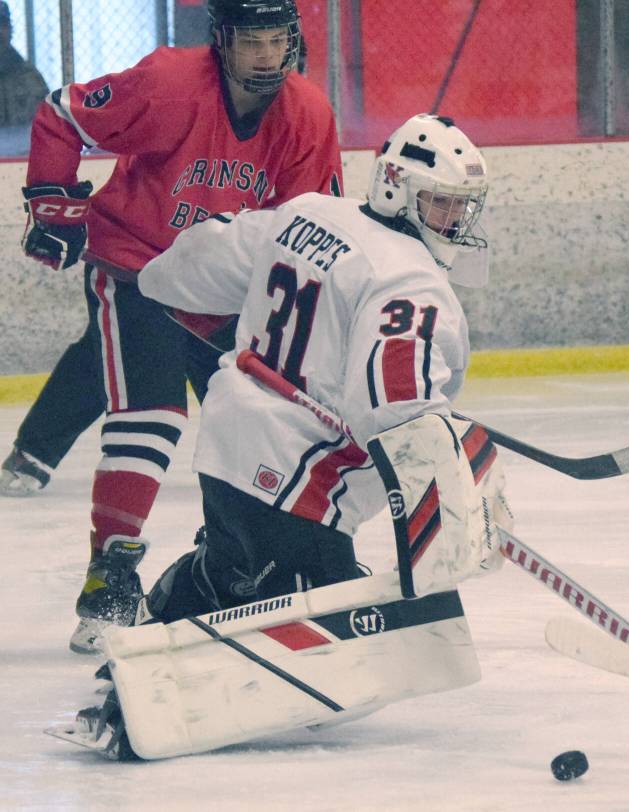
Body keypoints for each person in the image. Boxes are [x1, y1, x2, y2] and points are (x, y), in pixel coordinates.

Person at [63, 113, 510, 760]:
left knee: (232, 565)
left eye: (462, 206)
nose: (455, 220)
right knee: (342, 642)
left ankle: (141, 650)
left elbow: (198, 258)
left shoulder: (310, 213)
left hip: (229, 438)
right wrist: (442, 473)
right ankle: (138, 711)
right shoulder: (412, 282)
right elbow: (392, 400)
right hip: (297, 470)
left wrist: (163, 285)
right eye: (441, 202)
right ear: (395, 187)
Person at [5, 0, 343, 656]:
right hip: (137, 268)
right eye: (253, 41)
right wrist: (53, 202)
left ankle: (232, 565)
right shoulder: (168, 84)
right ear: (221, 40)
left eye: (279, 40)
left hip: (221, 290)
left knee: (262, 427)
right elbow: (62, 110)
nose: (268, 56)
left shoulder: (308, 113)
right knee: (154, 416)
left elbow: (308, 224)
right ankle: (111, 578)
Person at [0, 0, 48, 128]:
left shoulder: (29, 76)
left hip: (21, 146)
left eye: (3, 24)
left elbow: (44, 124)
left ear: (10, 30)